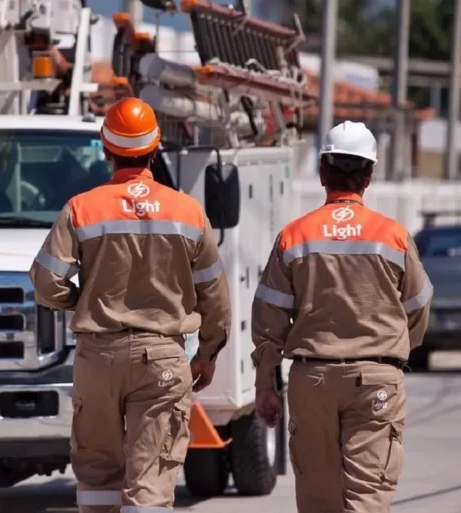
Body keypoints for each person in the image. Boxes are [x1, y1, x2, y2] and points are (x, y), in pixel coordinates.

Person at [29, 97, 232, 513]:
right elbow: (215, 296)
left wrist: (80, 301)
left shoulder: (81, 208)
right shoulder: (188, 212)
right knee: (151, 482)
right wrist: (207, 353)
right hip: (162, 358)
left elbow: (46, 281)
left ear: (106, 149)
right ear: (156, 149)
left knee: (98, 475)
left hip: (97, 356)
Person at [251, 120, 433, 513]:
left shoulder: (294, 235)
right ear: (369, 175)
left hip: (311, 379)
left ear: (322, 172)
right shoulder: (394, 236)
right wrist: (397, 351)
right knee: (368, 499)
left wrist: (266, 382)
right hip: (376, 381)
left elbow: (269, 318)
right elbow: (418, 307)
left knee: (318, 502)